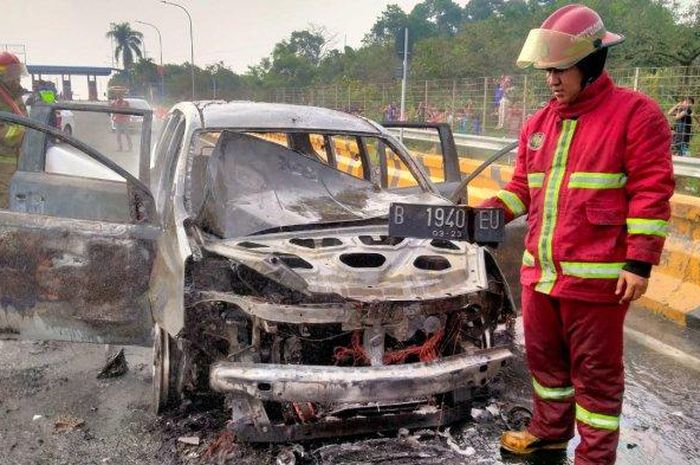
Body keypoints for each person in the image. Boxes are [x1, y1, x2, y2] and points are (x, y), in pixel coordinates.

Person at [480, 5, 674, 464]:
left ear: (590, 65)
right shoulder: (539, 124)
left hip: (598, 282)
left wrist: (639, 261)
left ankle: (594, 456)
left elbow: (652, 191)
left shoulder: (635, 115)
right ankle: (548, 432)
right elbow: (522, 190)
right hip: (541, 276)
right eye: (548, 70)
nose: (551, 80)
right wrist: (484, 213)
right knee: (546, 367)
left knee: (596, 377)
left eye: (560, 70)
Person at [0, 52, 29, 209]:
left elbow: (26, 121)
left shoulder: (16, 96)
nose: (17, 79)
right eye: (12, 74)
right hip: (3, 166)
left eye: (18, 73)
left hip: (19, 163)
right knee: (5, 205)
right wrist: (25, 135)